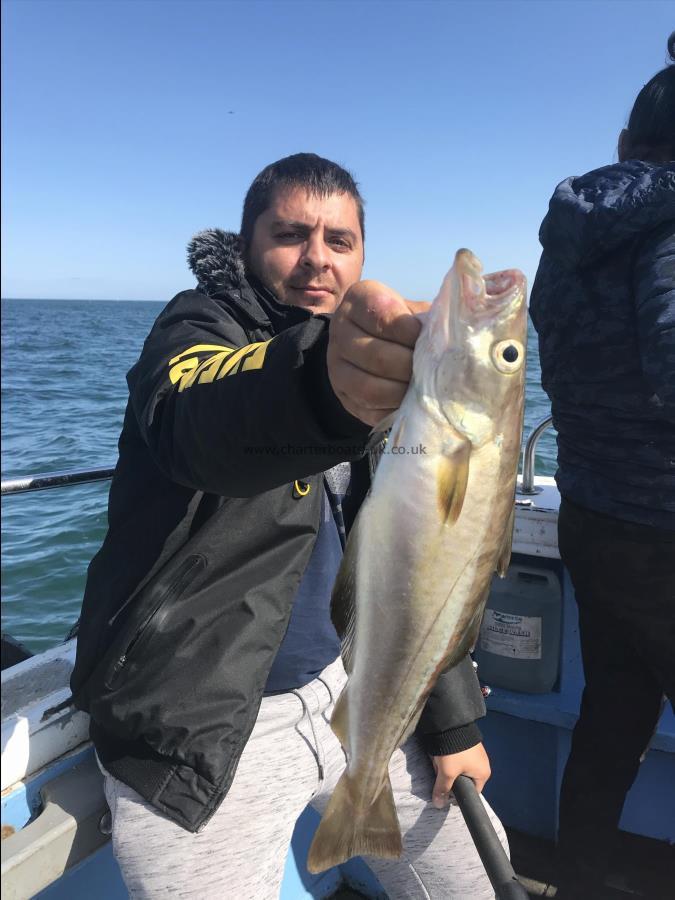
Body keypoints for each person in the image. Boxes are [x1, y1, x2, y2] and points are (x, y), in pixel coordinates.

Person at [71, 152, 506, 899]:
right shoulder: (193, 330)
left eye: (339, 241)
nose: (316, 259)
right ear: (245, 245)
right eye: (290, 234)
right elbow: (196, 422)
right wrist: (322, 387)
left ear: (362, 254)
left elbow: (424, 567)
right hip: (199, 734)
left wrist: (453, 722)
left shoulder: (393, 379)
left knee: (481, 876)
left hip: (352, 695)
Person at [529, 36, 675, 900]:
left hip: (595, 515)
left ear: (625, 142)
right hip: (665, 530)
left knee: (613, 713)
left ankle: (577, 878)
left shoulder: (571, 235)